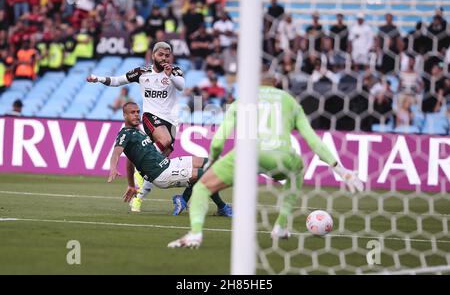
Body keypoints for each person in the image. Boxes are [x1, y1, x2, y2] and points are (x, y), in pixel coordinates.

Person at [168, 73, 364, 248]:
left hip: (245, 155)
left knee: (202, 187)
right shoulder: (289, 101)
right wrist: (341, 170)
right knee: (297, 170)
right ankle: (280, 226)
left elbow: (220, 138)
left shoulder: (243, 100)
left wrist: (213, 159)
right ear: (276, 83)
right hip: (280, 157)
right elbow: (313, 140)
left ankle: (195, 233)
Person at [87, 42, 231, 216]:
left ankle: (140, 194)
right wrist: (98, 79)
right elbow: (117, 81)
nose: (164, 58)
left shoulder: (174, 71)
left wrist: (169, 75)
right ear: (153, 55)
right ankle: (143, 165)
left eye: (167, 55)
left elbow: (180, 86)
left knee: (158, 166)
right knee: (165, 141)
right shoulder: (142, 72)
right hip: (151, 117)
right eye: (161, 55)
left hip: (171, 121)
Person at [109, 102, 232, 217]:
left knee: (208, 164)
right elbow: (116, 153)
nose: (136, 115)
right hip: (161, 174)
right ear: (124, 115)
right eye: (132, 112)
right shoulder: (125, 134)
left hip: (169, 164)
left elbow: (130, 161)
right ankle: (221, 207)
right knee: (204, 174)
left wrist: (131, 184)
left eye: (138, 112)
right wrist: (113, 168)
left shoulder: (139, 132)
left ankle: (183, 199)